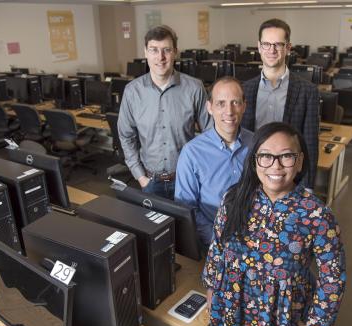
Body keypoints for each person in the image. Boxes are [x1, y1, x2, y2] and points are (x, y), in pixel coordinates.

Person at [202, 122, 346, 326]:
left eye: (286, 156)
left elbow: (333, 277)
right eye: (266, 156)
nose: (275, 166)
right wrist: (212, 288)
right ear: (254, 161)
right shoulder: (234, 199)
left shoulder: (317, 215)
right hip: (232, 307)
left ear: (299, 162)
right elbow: (217, 247)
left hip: (280, 320)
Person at [118, 25, 212, 199]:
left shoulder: (194, 87)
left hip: (187, 178)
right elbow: (126, 136)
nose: (160, 57)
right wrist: (140, 177)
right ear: (145, 52)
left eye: (166, 50)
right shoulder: (132, 91)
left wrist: (202, 171)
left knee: (189, 226)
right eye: (154, 50)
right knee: (157, 226)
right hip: (150, 182)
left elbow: (210, 133)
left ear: (175, 52)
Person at [175, 77, 253, 253]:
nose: (229, 111)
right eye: (221, 103)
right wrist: (218, 241)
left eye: (235, 102)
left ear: (244, 106)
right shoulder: (192, 153)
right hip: (215, 244)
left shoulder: (257, 144)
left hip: (255, 239)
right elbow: (187, 208)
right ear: (209, 107)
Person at [241, 18, 319, 190]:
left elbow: (310, 144)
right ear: (259, 47)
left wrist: (308, 188)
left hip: (288, 176)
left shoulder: (307, 91)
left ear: (288, 48)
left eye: (278, 44)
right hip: (251, 175)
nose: (272, 50)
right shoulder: (245, 89)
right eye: (267, 44)